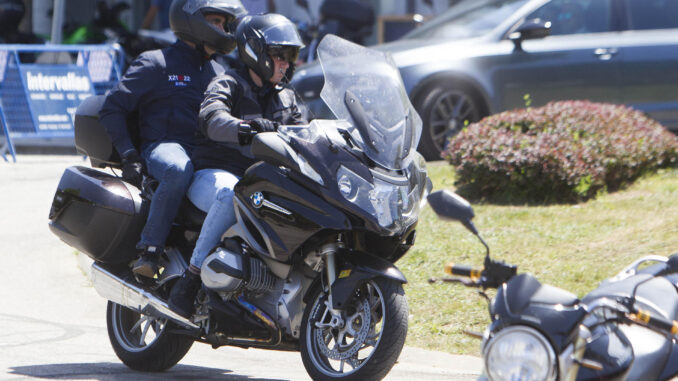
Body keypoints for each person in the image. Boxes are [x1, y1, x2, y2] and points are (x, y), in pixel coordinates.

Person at [168, 13, 305, 317]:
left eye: (291, 56)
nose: (286, 63)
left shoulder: (287, 98)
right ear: (256, 52)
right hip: (215, 175)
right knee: (231, 194)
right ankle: (191, 278)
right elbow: (212, 118)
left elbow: (304, 132)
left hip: (261, 182)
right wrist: (246, 127)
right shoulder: (229, 82)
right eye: (279, 55)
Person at [99, 0, 246, 279]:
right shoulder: (155, 63)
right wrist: (129, 154)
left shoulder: (220, 74)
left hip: (204, 156)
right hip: (165, 147)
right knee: (178, 168)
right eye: (216, 22)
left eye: (225, 24)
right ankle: (150, 250)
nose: (223, 29)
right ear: (192, 21)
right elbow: (112, 108)